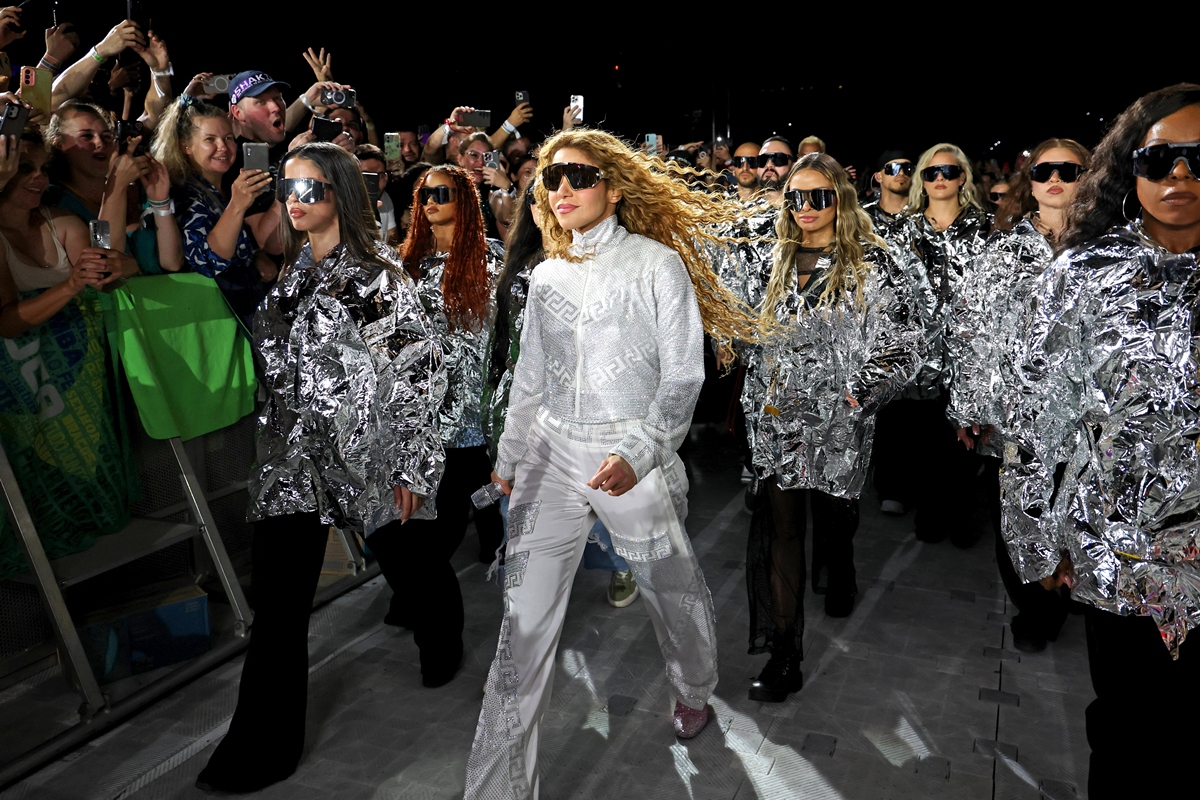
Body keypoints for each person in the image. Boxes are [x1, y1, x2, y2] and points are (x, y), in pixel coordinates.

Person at [465, 129, 766, 798]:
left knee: (672, 588)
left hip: (628, 450)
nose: (563, 188)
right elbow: (530, 379)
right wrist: (509, 459)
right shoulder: (545, 274)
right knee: (523, 630)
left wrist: (640, 451)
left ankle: (694, 687)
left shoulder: (657, 265)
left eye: (579, 175)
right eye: (552, 178)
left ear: (615, 187)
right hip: (549, 452)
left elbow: (684, 377)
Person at [194, 142, 444, 794]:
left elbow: (417, 370)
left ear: (340, 193)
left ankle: (441, 634)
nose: (297, 202)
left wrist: (412, 465)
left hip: (363, 457)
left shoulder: (376, 274)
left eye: (311, 189)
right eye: (289, 190)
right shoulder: (293, 271)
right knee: (277, 607)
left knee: (406, 556)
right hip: (291, 468)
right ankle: (260, 748)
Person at [1011, 84, 1200, 800]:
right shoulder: (1083, 277)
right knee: (1127, 730)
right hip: (1122, 550)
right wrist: (1042, 540)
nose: (1179, 176)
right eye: (1160, 160)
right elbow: (1041, 418)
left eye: (1198, 158)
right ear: (1130, 168)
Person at [745, 153, 921, 700]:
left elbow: (905, 339)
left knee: (835, 517)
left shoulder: (871, 262)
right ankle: (785, 653)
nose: (805, 208)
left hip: (839, 422)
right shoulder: (767, 258)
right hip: (776, 418)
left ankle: (840, 574)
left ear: (841, 199)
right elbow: (735, 315)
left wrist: (858, 392)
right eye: (796, 197)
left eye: (818, 197)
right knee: (783, 530)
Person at [948, 138, 1089, 653]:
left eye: (1069, 171)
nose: (1055, 179)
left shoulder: (1109, 249)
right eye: (1044, 170)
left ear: (1089, 177)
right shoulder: (1002, 249)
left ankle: (1071, 592)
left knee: (1077, 511)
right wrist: (969, 407)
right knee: (1017, 513)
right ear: (1029, 182)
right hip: (1018, 410)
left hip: (1088, 415)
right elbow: (973, 330)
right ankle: (1036, 606)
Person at [0, 121, 140, 580]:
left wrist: (122, 265)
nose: (39, 177)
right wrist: (72, 287)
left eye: (43, 167)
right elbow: (6, 322)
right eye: (24, 168)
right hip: (19, 401)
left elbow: (108, 269)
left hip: (79, 389)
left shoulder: (63, 222)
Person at [390, 164, 504, 648]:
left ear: (465, 201)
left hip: (468, 423)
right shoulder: (402, 263)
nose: (430, 200)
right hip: (413, 422)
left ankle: (435, 631)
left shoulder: (490, 261)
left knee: (439, 533)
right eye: (423, 193)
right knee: (404, 533)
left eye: (442, 192)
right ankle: (416, 604)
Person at [894, 142, 991, 545]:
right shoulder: (905, 229)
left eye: (948, 172)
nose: (939, 179)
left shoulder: (986, 229)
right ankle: (930, 516)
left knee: (966, 439)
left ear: (962, 177)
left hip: (970, 352)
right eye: (931, 173)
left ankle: (963, 517)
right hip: (918, 353)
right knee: (924, 439)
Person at [151, 97, 278, 324]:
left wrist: (256, 256)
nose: (223, 147)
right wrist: (237, 206)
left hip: (245, 309)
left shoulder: (228, 185)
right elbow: (207, 262)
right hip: (212, 319)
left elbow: (235, 246)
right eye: (210, 139)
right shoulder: (184, 194)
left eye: (228, 138)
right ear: (185, 146)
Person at [45, 100, 180, 273]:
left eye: (107, 136)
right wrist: (116, 186)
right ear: (58, 143)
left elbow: (173, 263)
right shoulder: (55, 200)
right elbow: (104, 262)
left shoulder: (138, 191)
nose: (100, 143)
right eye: (87, 136)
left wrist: (160, 202)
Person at [353, 143, 397, 244]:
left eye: (379, 176)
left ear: (385, 178)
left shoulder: (385, 198)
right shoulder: (340, 207)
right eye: (367, 176)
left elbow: (393, 240)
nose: (373, 182)